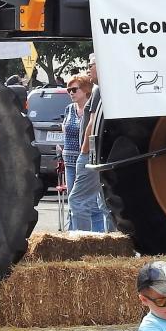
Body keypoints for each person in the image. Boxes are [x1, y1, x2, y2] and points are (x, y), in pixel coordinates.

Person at [68, 55, 112, 232]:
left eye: (90, 65)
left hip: (92, 155)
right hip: (102, 153)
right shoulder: (106, 88)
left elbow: (92, 124)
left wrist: (84, 153)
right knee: (105, 203)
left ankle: (82, 242)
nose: (88, 69)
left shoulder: (98, 90)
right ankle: (115, 242)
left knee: (77, 200)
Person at [60, 73, 90, 226]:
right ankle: (73, 231)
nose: (71, 93)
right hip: (70, 160)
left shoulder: (91, 109)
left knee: (85, 201)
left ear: (85, 90)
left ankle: (90, 234)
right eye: (68, 90)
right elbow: (65, 130)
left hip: (85, 159)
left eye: (74, 89)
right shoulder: (69, 109)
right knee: (72, 198)